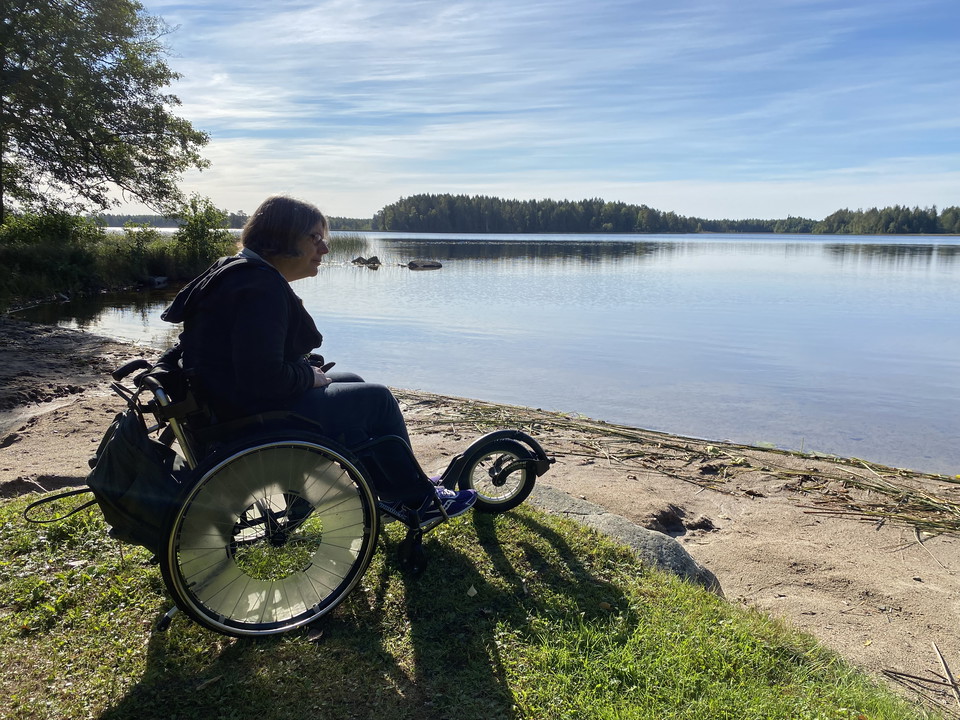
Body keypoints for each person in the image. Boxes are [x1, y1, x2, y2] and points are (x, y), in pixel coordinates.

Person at [160, 194, 476, 526]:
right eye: (315, 239)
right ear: (282, 238)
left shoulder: (235, 271)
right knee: (377, 399)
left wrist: (304, 368)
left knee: (352, 382)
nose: (324, 249)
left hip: (226, 406)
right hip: (249, 417)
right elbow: (264, 378)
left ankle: (395, 489)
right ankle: (419, 502)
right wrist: (309, 377)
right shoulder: (260, 287)